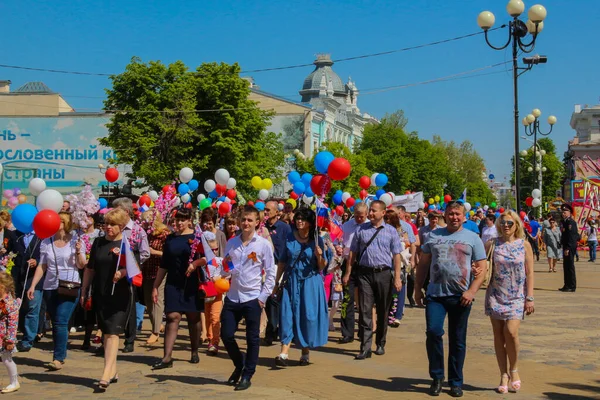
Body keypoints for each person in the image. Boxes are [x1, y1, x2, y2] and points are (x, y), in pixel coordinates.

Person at [415, 201, 487, 397]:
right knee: (433, 332)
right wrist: (417, 289)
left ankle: (455, 381)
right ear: (444, 216)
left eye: (458, 214)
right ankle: (437, 377)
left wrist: (471, 291)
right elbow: (423, 264)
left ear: (464, 216)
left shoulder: (473, 238)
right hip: (435, 295)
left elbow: (482, 268)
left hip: (461, 296)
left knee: (457, 339)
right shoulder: (433, 236)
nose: (454, 217)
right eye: (451, 214)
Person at [221, 205, 276, 391]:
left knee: (252, 338)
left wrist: (263, 297)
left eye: (250, 220)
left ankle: (247, 374)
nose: (246, 223)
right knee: (226, 334)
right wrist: (224, 270)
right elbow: (226, 266)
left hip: (252, 297)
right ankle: (239, 363)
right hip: (233, 296)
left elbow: (271, 272)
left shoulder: (263, 245)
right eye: (243, 219)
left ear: (257, 223)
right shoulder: (232, 242)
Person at [343, 200, 403, 360]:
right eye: (370, 211)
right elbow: (353, 253)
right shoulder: (361, 230)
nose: (370, 214)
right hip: (364, 274)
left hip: (384, 274)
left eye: (374, 211)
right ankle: (365, 347)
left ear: (383, 213)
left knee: (383, 309)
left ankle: (381, 342)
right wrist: (348, 272)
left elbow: (397, 256)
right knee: (364, 310)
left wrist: (397, 277)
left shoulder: (391, 231)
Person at [80, 208, 133, 390]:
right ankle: (113, 370)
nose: (108, 227)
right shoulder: (98, 242)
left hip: (120, 295)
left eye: (113, 224)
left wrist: (123, 271)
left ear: (122, 226)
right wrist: (84, 289)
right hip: (100, 293)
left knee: (112, 332)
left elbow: (135, 269)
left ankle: (105, 373)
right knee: (105, 331)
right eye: (106, 224)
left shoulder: (127, 243)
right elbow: (90, 268)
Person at [28, 212, 86, 371]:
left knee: (61, 321)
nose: (56, 223)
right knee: (55, 322)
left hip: (70, 286)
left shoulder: (76, 240)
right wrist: (33, 285)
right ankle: (59, 354)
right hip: (50, 286)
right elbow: (42, 266)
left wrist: (79, 251)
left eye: (60, 221)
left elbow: (82, 265)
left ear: (66, 223)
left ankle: (58, 358)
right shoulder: (46, 242)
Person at [484, 210, 535, 394]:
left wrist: (530, 297)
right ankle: (503, 374)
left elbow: (529, 272)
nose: (506, 226)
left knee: (511, 332)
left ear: (517, 226)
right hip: (496, 294)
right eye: (503, 223)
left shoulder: (524, 245)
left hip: (517, 296)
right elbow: (483, 265)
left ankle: (514, 369)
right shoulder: (492, 243)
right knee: (498, 335)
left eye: (510, 223)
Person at [274, 208, 329, 367]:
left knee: (306, 316)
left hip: (310, 283)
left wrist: (319, 256)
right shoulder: (290, 237)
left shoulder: (318, 240)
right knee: (287, 315)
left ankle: (305, 352)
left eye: (303, 219)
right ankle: (284, 353)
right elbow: (283, 261)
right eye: (297, 218)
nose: (299, 221)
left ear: (310, 223)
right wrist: (277, 282)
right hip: (291, 282)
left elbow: (321, 266)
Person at [151, 208, 202, 369]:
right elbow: (164, 265)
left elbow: (209, 258)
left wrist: (195, 264)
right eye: (176, 220)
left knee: (193, 318)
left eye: (182, 220)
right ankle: (167, 357)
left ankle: (194, 350)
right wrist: (155, 286)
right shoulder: (170, 239)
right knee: (173, 316)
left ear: (189, 221)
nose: (179, 223)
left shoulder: (197, 237)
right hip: (173, 283)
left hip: (192, 283)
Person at [112, 198, 150, 353]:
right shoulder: (113, 228)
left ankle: (129, 340)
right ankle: (108, 338)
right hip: (112, 270)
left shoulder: (138, 230)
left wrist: (132, 265)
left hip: (130, 273)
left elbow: (145, 253)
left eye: (117, 210)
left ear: (126, 212)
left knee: (130, 305)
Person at [262, 200, 291, 346]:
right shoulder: (261, 227)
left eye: (268, 210)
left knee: (274, 299)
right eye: (264, 210)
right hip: (263, 269)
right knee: (268, 300)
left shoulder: (284, 228)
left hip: (278, 268)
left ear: (276, 212)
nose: (266, 212)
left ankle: (273, 330)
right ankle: (272, 329)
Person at [339, 202, 368, 344]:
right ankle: (347, 333)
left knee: (364, 301)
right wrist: (339, 248)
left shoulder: (371, 226)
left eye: (361, 217)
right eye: (356, 216)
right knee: (347, 299)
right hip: (348, 263)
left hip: (364, 265)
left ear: (366, 215)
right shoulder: (347, 226)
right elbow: (340, 241)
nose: (359, 219)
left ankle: (364, 332)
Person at [140, 210, 169, 345]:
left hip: (160, 271)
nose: (143, 223)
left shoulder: (164, 234)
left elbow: (169, 254)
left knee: (157, 299)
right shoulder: (145, 234)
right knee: (148, 300)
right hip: (147, 270)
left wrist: (154, 252)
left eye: (145, 221)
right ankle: (157, 325)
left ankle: (155, 331)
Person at [383, 210, 407, 327]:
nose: (387, 221)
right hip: (385, 263)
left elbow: (407, 244)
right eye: (385, 218)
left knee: (397, 290)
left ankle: (396, 315)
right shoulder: (381, 230)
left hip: (398, 264)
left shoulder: (401, 231)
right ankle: (388, 314)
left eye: (389, 218)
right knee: (387, 291)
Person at [202, 232, 224, 356]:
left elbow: (230, 271)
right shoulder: (202, 261)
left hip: (217, 292)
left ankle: (215, 342)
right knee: (207, 317)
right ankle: (210, 339)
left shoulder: (220, 261)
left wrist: (220, 277)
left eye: (216, 249)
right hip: (205, 292)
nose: (214, 251)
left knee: (215, 317)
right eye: (211, 250)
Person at [0, 272, 20, 393]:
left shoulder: (10, 303)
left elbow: (13, 324)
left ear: (4, 287)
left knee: (7, 359)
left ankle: (14, 382)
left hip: (4, 337)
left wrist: (10, 339)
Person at [560, 204, 578, 292]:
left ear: (569, 212)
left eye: (565, 212)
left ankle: (572, 285)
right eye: (562, 212)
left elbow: (572, 237)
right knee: (566, 266)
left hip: (570, 247)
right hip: (566, 246)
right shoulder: (565, 222)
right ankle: (566, 284)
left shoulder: (571, 222)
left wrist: (567, 248)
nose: (563, 213)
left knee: (570, 266)